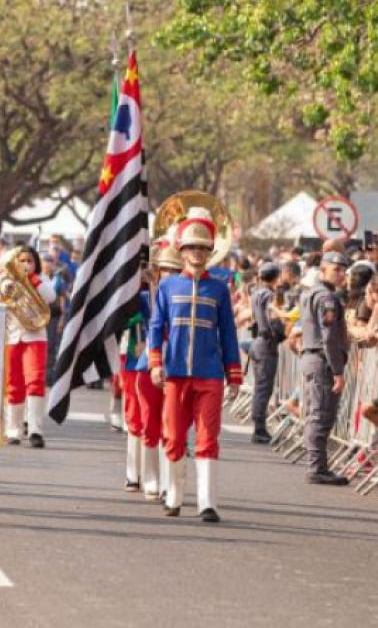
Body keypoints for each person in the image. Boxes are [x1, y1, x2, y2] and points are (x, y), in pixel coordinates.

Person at [147, 207, 242, 522]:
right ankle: (173, 496)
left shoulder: (219, 289)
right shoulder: (167, 287)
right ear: (181, 251)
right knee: (173, 435)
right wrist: (156, 362)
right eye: (191, 247)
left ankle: (207, 502)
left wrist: (234, 372)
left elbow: (228, 330)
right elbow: (155, 327)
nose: (197, 253)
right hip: (174, 373)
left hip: (210, 375)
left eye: (203, 247)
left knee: (207, 437)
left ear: (210, 251)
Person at [127, 244, 180, 500]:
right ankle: (149, 477)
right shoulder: (146, 296)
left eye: (175, 269)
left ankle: (171, 481)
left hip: (179, 365)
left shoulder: (186, 296)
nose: (170, 274)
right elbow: (124, 312)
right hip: (148, 363)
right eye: (166, 269)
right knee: (149, 421)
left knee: (173, 425)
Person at [299, 251, 351, 486]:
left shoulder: (312, 293)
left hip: (314, 358)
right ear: (323, 270)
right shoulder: (326, 298)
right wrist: (338, 371)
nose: (340, 274)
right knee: (321, 414)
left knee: (316, 413)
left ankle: (318, 465)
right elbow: (329, 337)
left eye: (343, 270)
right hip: (322, 360)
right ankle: (316, 467)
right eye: (335, 269)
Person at [0, 245, 56, 448]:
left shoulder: (42, 280)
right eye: (21, 261)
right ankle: (13, 430)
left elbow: (51, 297)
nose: (25, 264)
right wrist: (6, 283)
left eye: (29, 261)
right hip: (12, 336)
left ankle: (35, 430)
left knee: (35, 380)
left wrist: (31, 279)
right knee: (13, 383)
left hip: (35, 336)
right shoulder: (7, 281)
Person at [249, 262, 287, 443]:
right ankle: (259, 428)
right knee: (264, 387)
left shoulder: (256, 292)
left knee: (260, 385)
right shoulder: (270, 296)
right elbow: (273, 319)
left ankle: (258, 424)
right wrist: (281, 331)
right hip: (266, 343)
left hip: (258, 341)